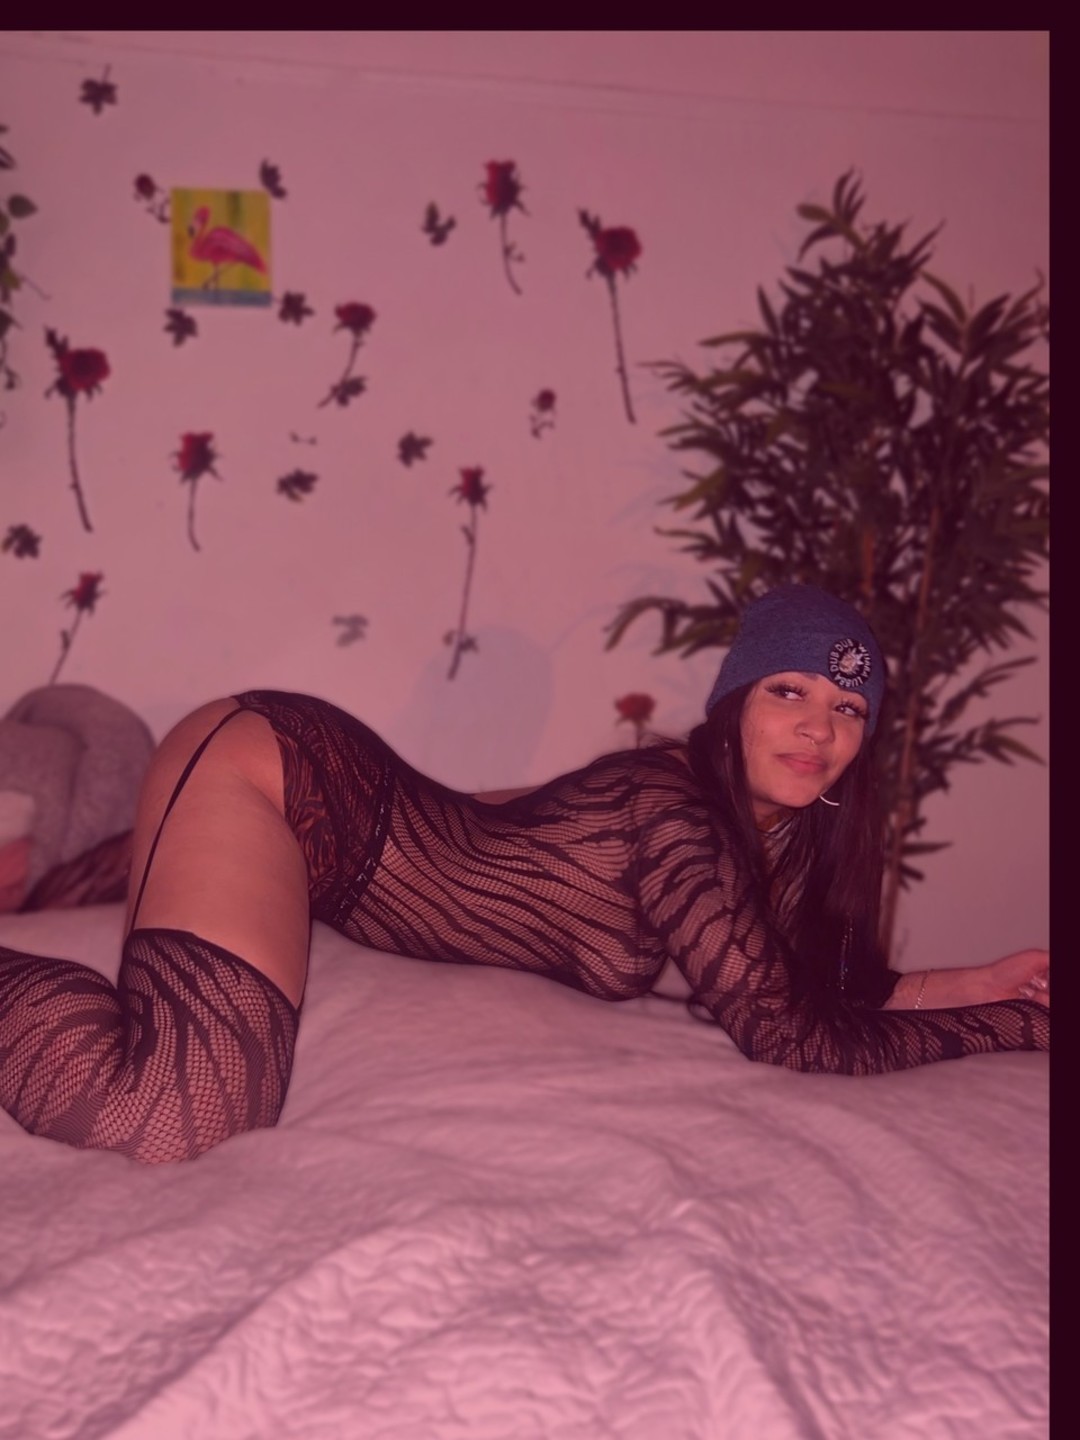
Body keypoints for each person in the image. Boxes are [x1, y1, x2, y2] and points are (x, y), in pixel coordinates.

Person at [0, 585, 1049, 1164]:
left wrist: (975, 982)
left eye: (848, 709)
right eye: (790, 692)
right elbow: (792, 1037)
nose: (819, 727)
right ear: (734, 704)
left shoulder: (766, 843)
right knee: (175, 1118)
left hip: (327, 839)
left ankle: (75, 871)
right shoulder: (675, 813)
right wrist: (1017, 1029)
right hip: (274, 769)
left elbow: (816, 992)